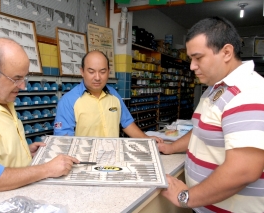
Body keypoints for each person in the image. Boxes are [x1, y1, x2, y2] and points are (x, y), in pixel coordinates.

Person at [159, 17, 264, 212]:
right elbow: (201, 129)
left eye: (198, 58)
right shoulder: (216, 88)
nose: (192, 66)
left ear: (226, 52)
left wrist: (186, 197)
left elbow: (244, 171)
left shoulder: (249, 92)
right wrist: (171, 148)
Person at [0, 38, 79, 192]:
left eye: (24, 77)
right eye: (16, 79)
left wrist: (22, 153)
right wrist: (47, 169)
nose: (23, 86)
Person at [54, 50, 163, 143]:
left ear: (108, 72)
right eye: (91, 72)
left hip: (112, 157)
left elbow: (127, 123)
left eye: (102, 72)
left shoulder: (114, 94)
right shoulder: (68, 101)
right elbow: (63, 139)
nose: (97, 77)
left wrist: (146, 139)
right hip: (84, 161)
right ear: (82, 72)